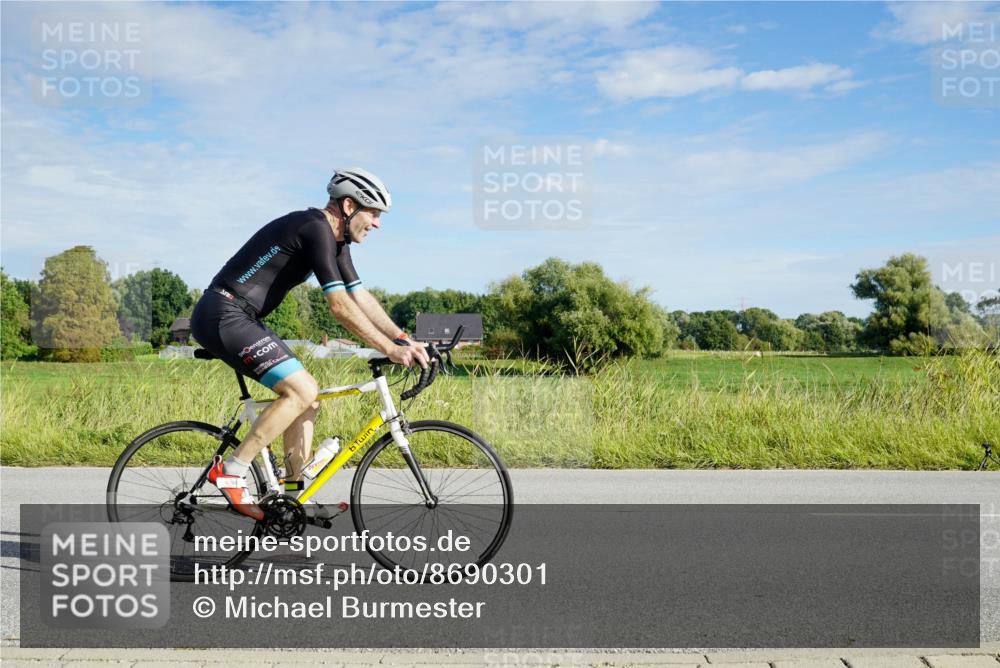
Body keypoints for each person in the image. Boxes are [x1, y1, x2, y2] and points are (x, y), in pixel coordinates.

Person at [190, 168, 429, 520]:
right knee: (302, 390)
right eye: (373, 213)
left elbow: (359, 296)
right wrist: (390, 350)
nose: (377, 224)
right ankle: (231, 471)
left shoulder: (336, 241)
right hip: (222, 313)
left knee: (308, 401)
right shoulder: (314, 227)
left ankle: (291, 498)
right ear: (349, 206)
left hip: (241, 317)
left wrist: (403, 338)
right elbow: (339, 306)